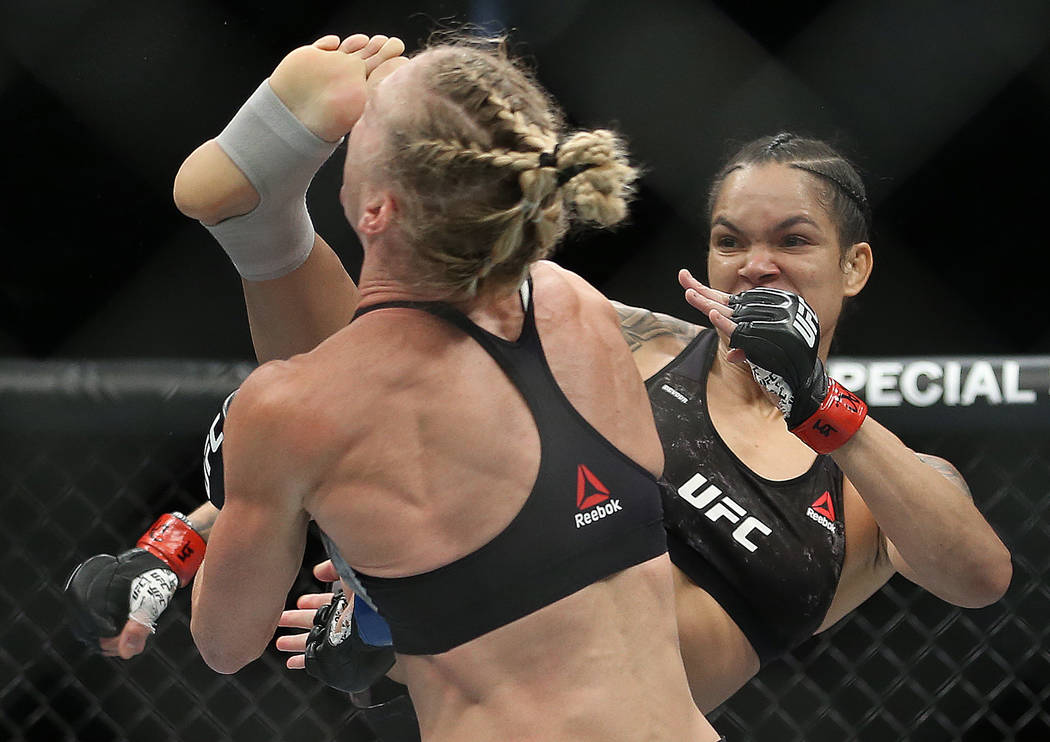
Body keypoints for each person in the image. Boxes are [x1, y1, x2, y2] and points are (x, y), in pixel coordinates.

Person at [66, 32, 1012, 739]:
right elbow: (372, 412)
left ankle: (271, 227)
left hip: (554, 692)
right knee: (442, 325)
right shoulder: (621, 343)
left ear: (856, 267)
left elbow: (975, 574)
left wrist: (817, 407)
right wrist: (174, 545)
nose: (755, 264)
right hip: (454, 664)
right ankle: (271, 225)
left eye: (792, 241)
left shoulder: (871, 486)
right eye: (730, 239)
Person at [179, 30, 717, 742]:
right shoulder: (574, 309)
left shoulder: (296, 409)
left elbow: (226, 643)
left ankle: (263, 231)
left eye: (361, 131)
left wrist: (250, 489)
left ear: (376, 209)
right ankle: (262, 228)